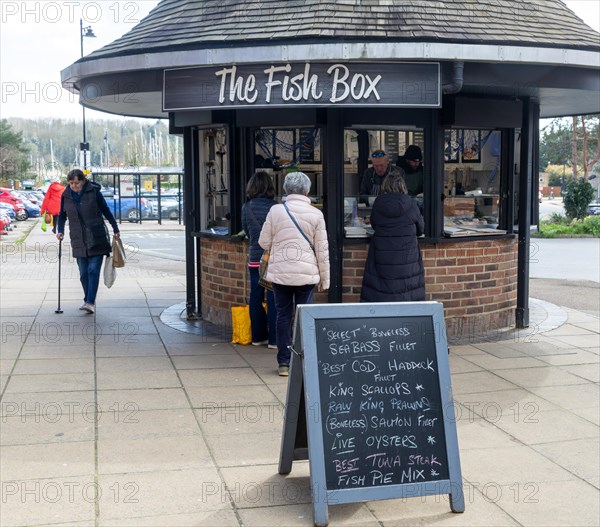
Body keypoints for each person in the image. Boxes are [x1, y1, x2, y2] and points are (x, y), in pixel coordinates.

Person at [259, 172, 330, 376]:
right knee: (304, 317)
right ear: (307, 191)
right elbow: (322, 250)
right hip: (306, 275)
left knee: (283, 315)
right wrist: (325, 279)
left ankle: (284, 363)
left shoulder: (275, 211)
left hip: (280, 273)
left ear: (286, 190)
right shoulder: (316, 214)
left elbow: (263, 242)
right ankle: (304, 361)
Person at [56, 169, 120, 314]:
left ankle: (90, 302)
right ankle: (88, 300)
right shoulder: (66, 195)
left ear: (83, 181)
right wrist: (60, 230)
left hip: (97, 236)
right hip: (78, 239)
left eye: (77, 183)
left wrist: (115, 228)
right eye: (71, 183)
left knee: (93, 270)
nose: (74, 186)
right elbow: (61, 215)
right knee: (83, 273)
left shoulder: (94, 192)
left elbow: (106, 210)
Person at [360, 171, 425, 303]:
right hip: (407, 259)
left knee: (382, 295)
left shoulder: (379, 203)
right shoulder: (411, 203)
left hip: (383, 258)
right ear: (402, 186)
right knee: (407, 294)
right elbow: (421, 229)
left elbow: (374, 224)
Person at [241, 171, 277, 348]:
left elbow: (247, 231)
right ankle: (274, 340)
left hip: (255, 258)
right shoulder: (276, 207)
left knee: (255, 296)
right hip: (272, 258)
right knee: (273, 296)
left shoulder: (247, 207)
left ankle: (257, 337)